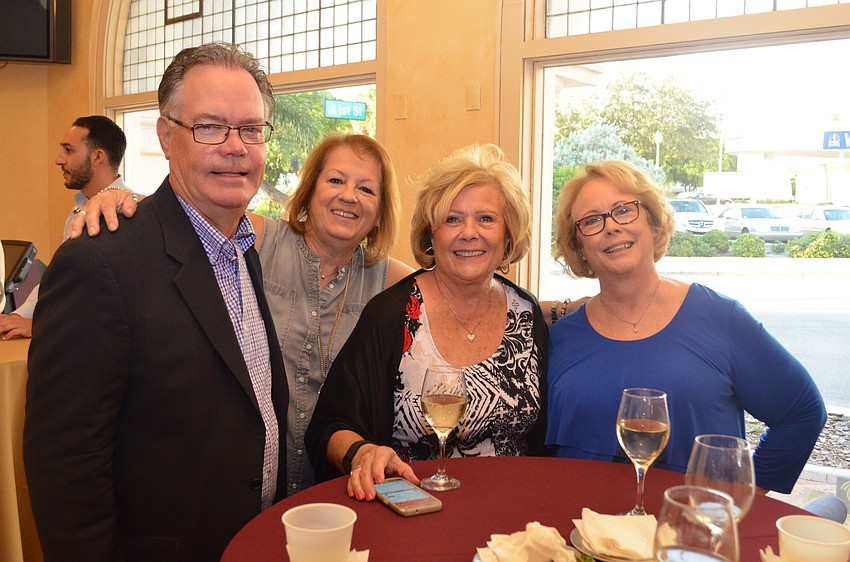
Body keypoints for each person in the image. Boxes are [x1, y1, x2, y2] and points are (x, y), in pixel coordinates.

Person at [24, 42, 288, 561]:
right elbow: (65, 465)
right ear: (167, 136)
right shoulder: (99, 263)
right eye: (210, 127)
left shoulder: (243, 250)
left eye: (251, 129)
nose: (235, 147)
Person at [65, 133, 415, 494]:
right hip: (238, 481)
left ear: (380, 212)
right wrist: (118, 199)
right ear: (310, 190)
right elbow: (182, 220)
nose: (349, 196)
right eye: (336, 180)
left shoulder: (392, 281)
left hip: (336, 487)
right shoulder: (255, 238)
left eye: (366, 189)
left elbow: (444, 281)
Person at [545, 160, 826, 495]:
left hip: (690, 524)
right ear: (578, 247)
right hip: (579, 522)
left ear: (653, 223)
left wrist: (745, 496)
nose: (611, 226)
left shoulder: (719, 318)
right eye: (592, 220)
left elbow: (802, 412)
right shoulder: (562, 337)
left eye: (624, 210)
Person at [305, 143, 549, 502]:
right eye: (452, 219)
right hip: (414, 509)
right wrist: (363, 452)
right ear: (431, 236)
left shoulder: (527, 313)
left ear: (508, 233)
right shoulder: (392, 314)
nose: (469, 232)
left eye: (486, 218)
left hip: (511, 508)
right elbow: (329, 427)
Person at [0, 115, 131, 340]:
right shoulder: (77, 212)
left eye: (69, 150)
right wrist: (16, 318)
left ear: (98, 156)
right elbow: (58, 281)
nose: (59, 160)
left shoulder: (130, 212)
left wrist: (45, 326)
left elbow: (113, 301)